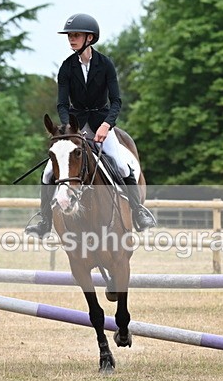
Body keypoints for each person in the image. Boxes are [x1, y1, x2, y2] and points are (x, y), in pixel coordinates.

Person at [25, 13, 157, 238]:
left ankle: (138, 211)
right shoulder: (66, 68)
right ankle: (45, 220)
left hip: (101, 123)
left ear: (90, 38)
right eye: (70, 36)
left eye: (76, 35)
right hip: (75, 127)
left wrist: (107, 125)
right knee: (48, 172)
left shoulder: (105, 64)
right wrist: (68, 128)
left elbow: (116, 101)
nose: (71, 39)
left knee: (124, 167)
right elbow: (61, 103)